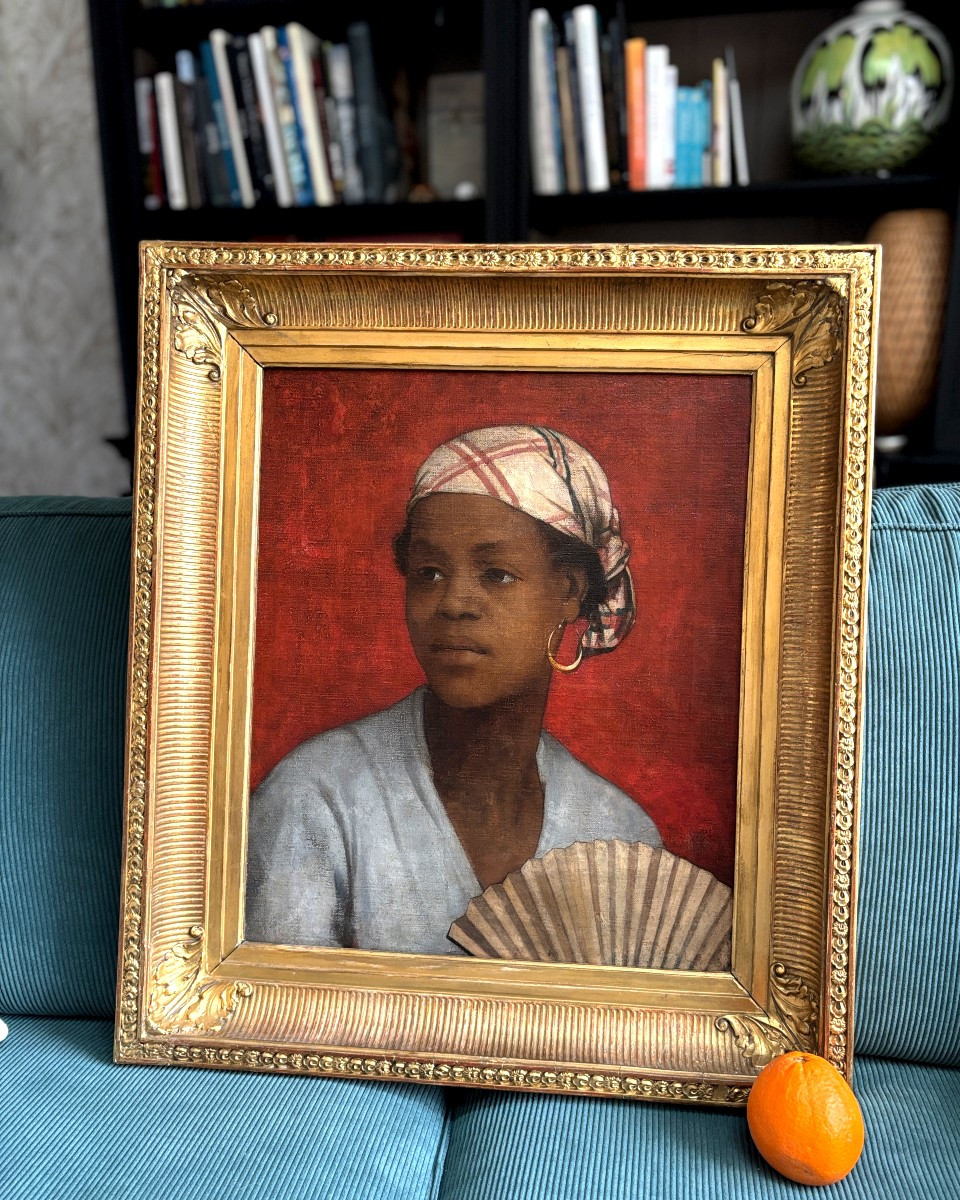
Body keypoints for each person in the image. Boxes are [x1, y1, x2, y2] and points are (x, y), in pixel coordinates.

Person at [245, 425, 661, 955]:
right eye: (430, 573)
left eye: (497, 574)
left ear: (569, 591)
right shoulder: (316, 798)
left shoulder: (619, 832)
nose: (454, 604)